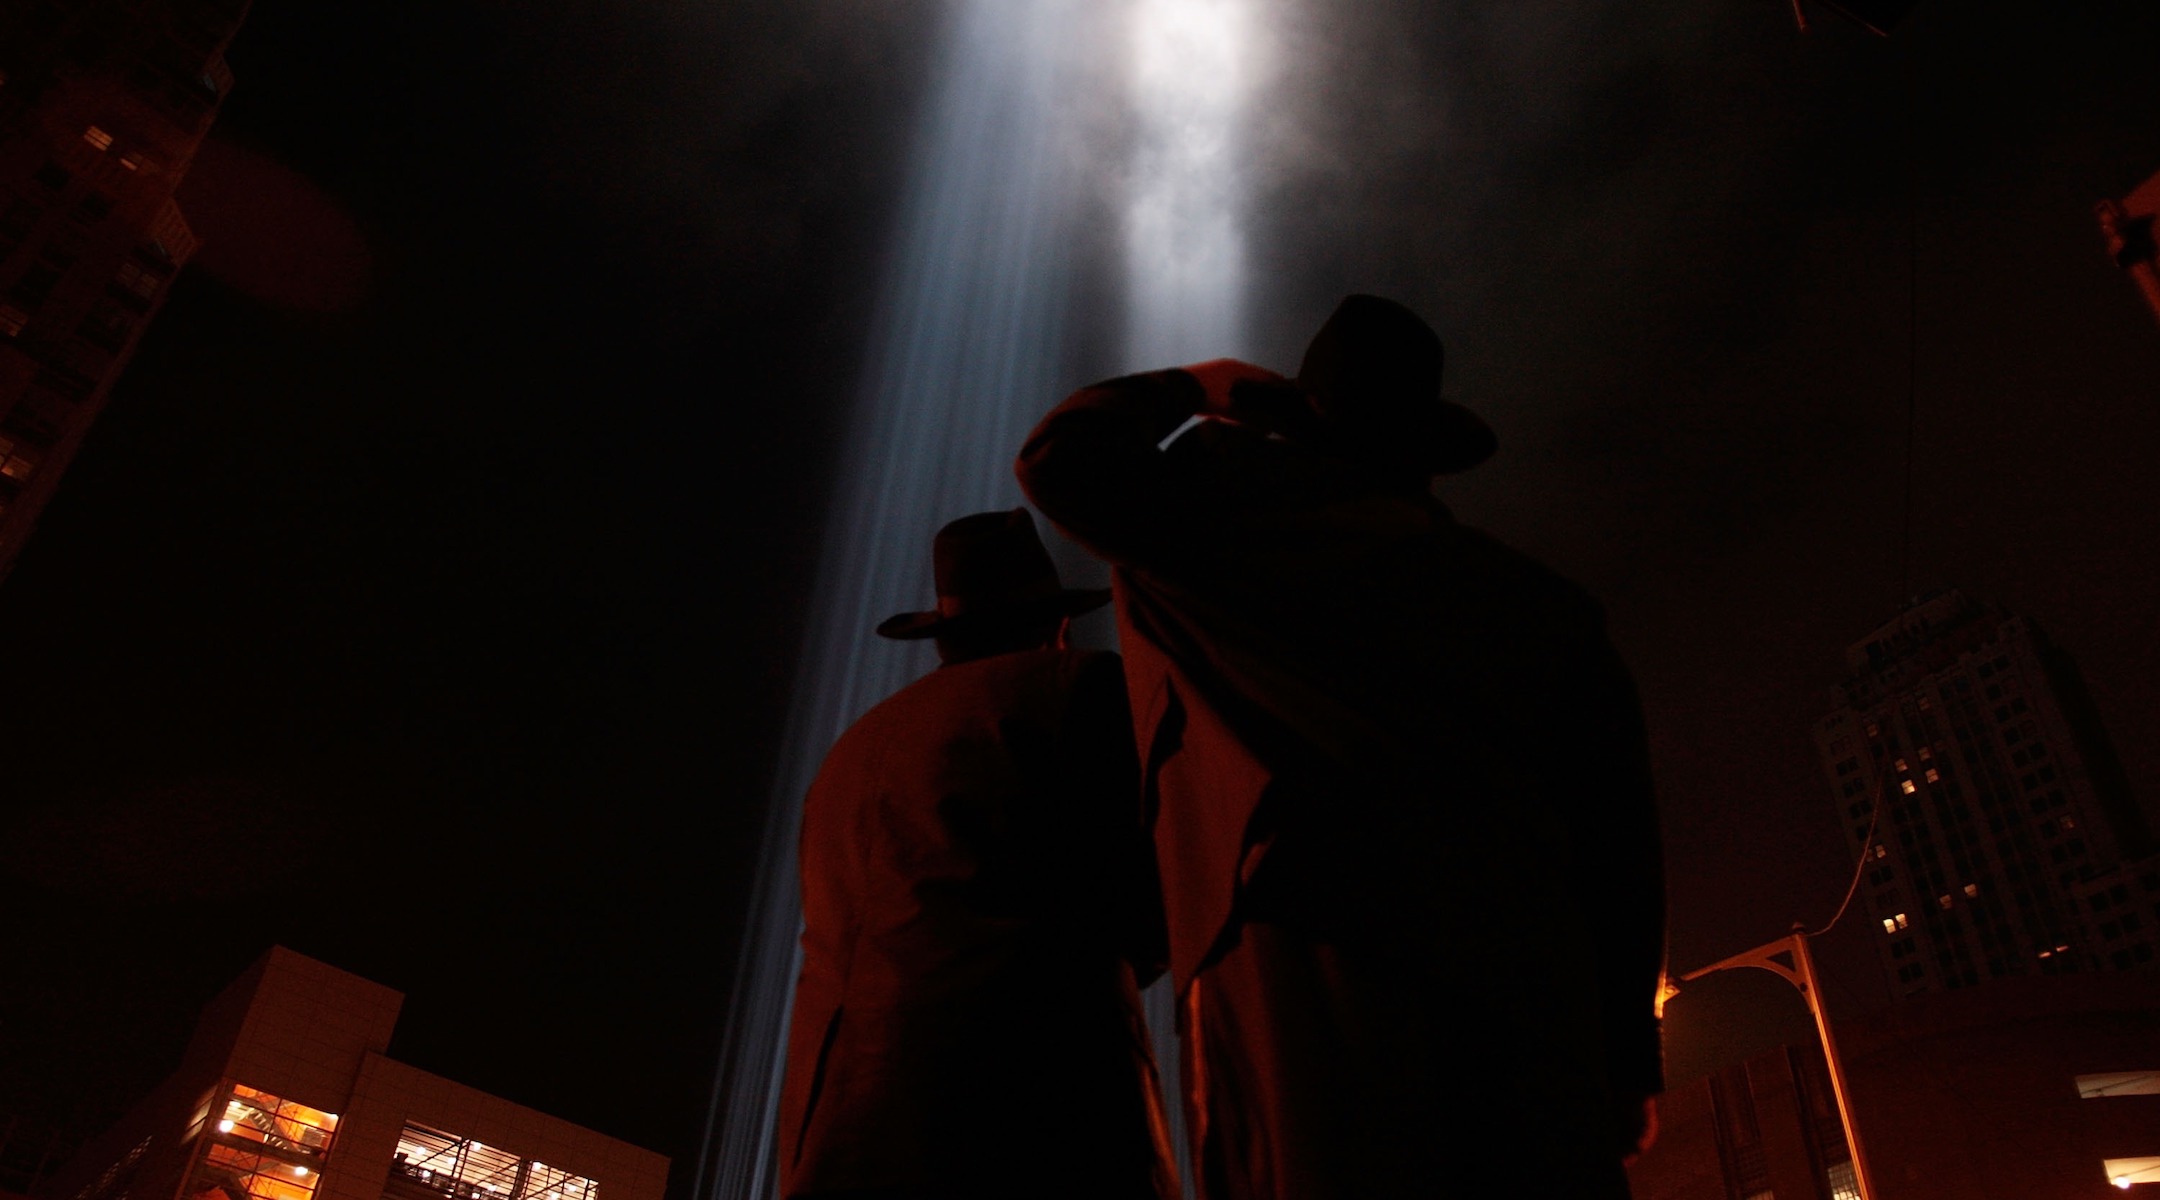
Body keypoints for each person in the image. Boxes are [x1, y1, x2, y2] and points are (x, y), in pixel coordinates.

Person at [1015, 294, 1667, 1199]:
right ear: (1427, 452)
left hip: (1303, 975)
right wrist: (1627, 1057)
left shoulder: (1212, 534)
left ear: (1297, 420)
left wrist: (1194, 385)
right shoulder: (1541, 608)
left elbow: (1060, 458)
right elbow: (1618, 846)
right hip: (1526, 985)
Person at [776, 507, 1178, 1200]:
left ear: (943, 640)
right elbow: (1148, 908)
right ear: (1057, 627)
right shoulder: (1079, 690)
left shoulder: (847, 755)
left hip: (834, 1144)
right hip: (1027, 1130)